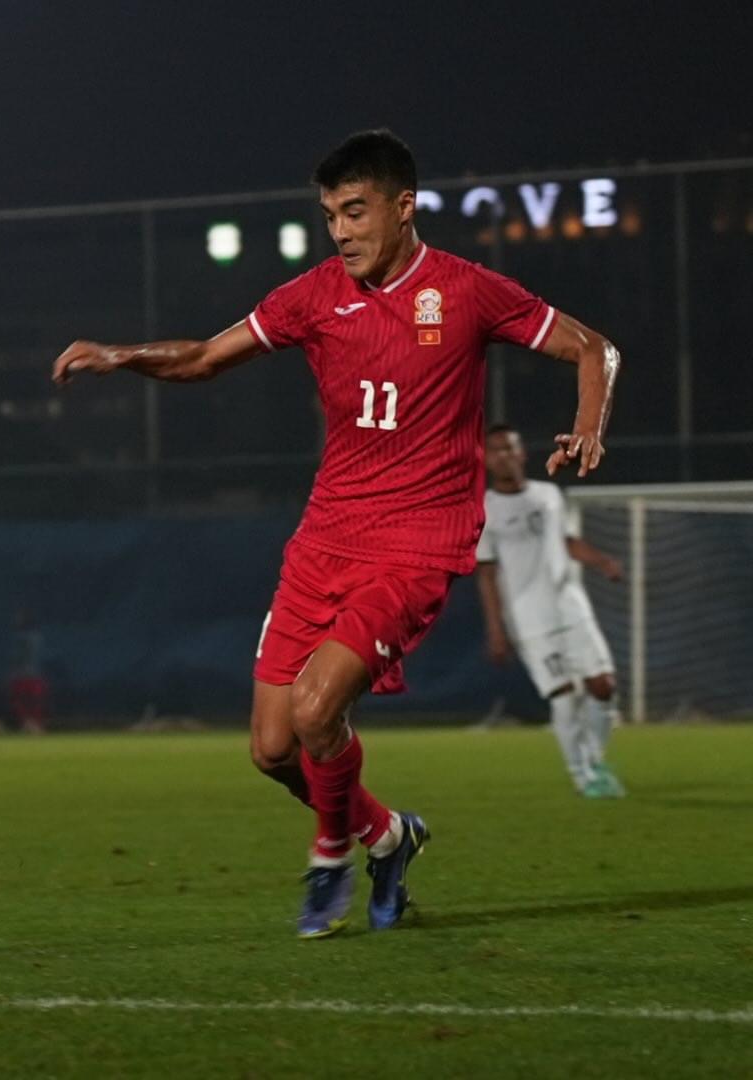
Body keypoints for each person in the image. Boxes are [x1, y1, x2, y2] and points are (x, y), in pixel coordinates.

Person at [52, 129, 620, 938]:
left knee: (318, 711)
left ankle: (329, 856)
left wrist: (588, 425)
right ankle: (386, 837)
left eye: (355, 212)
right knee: (272, 749)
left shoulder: (466, 290)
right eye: (329, 216)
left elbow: (594, 348)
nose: (341, 232)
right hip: (325, 539)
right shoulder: (315, 296)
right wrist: (120, 355)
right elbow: (204, 357)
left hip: (416, 544)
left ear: (403, 206)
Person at [476, 424, 625, 797]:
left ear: (522, 453)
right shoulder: (484, 510)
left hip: (571, 606)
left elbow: (567, 541)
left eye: (510, 448)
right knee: (565, 696)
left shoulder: (548, 495)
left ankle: (594, 759)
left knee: (604, 687)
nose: (504, 456)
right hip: (529, 618)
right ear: (486, 459)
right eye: (496, 450)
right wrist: (496, 630)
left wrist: (602, 561)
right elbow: (487, 574)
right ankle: (583, 777)